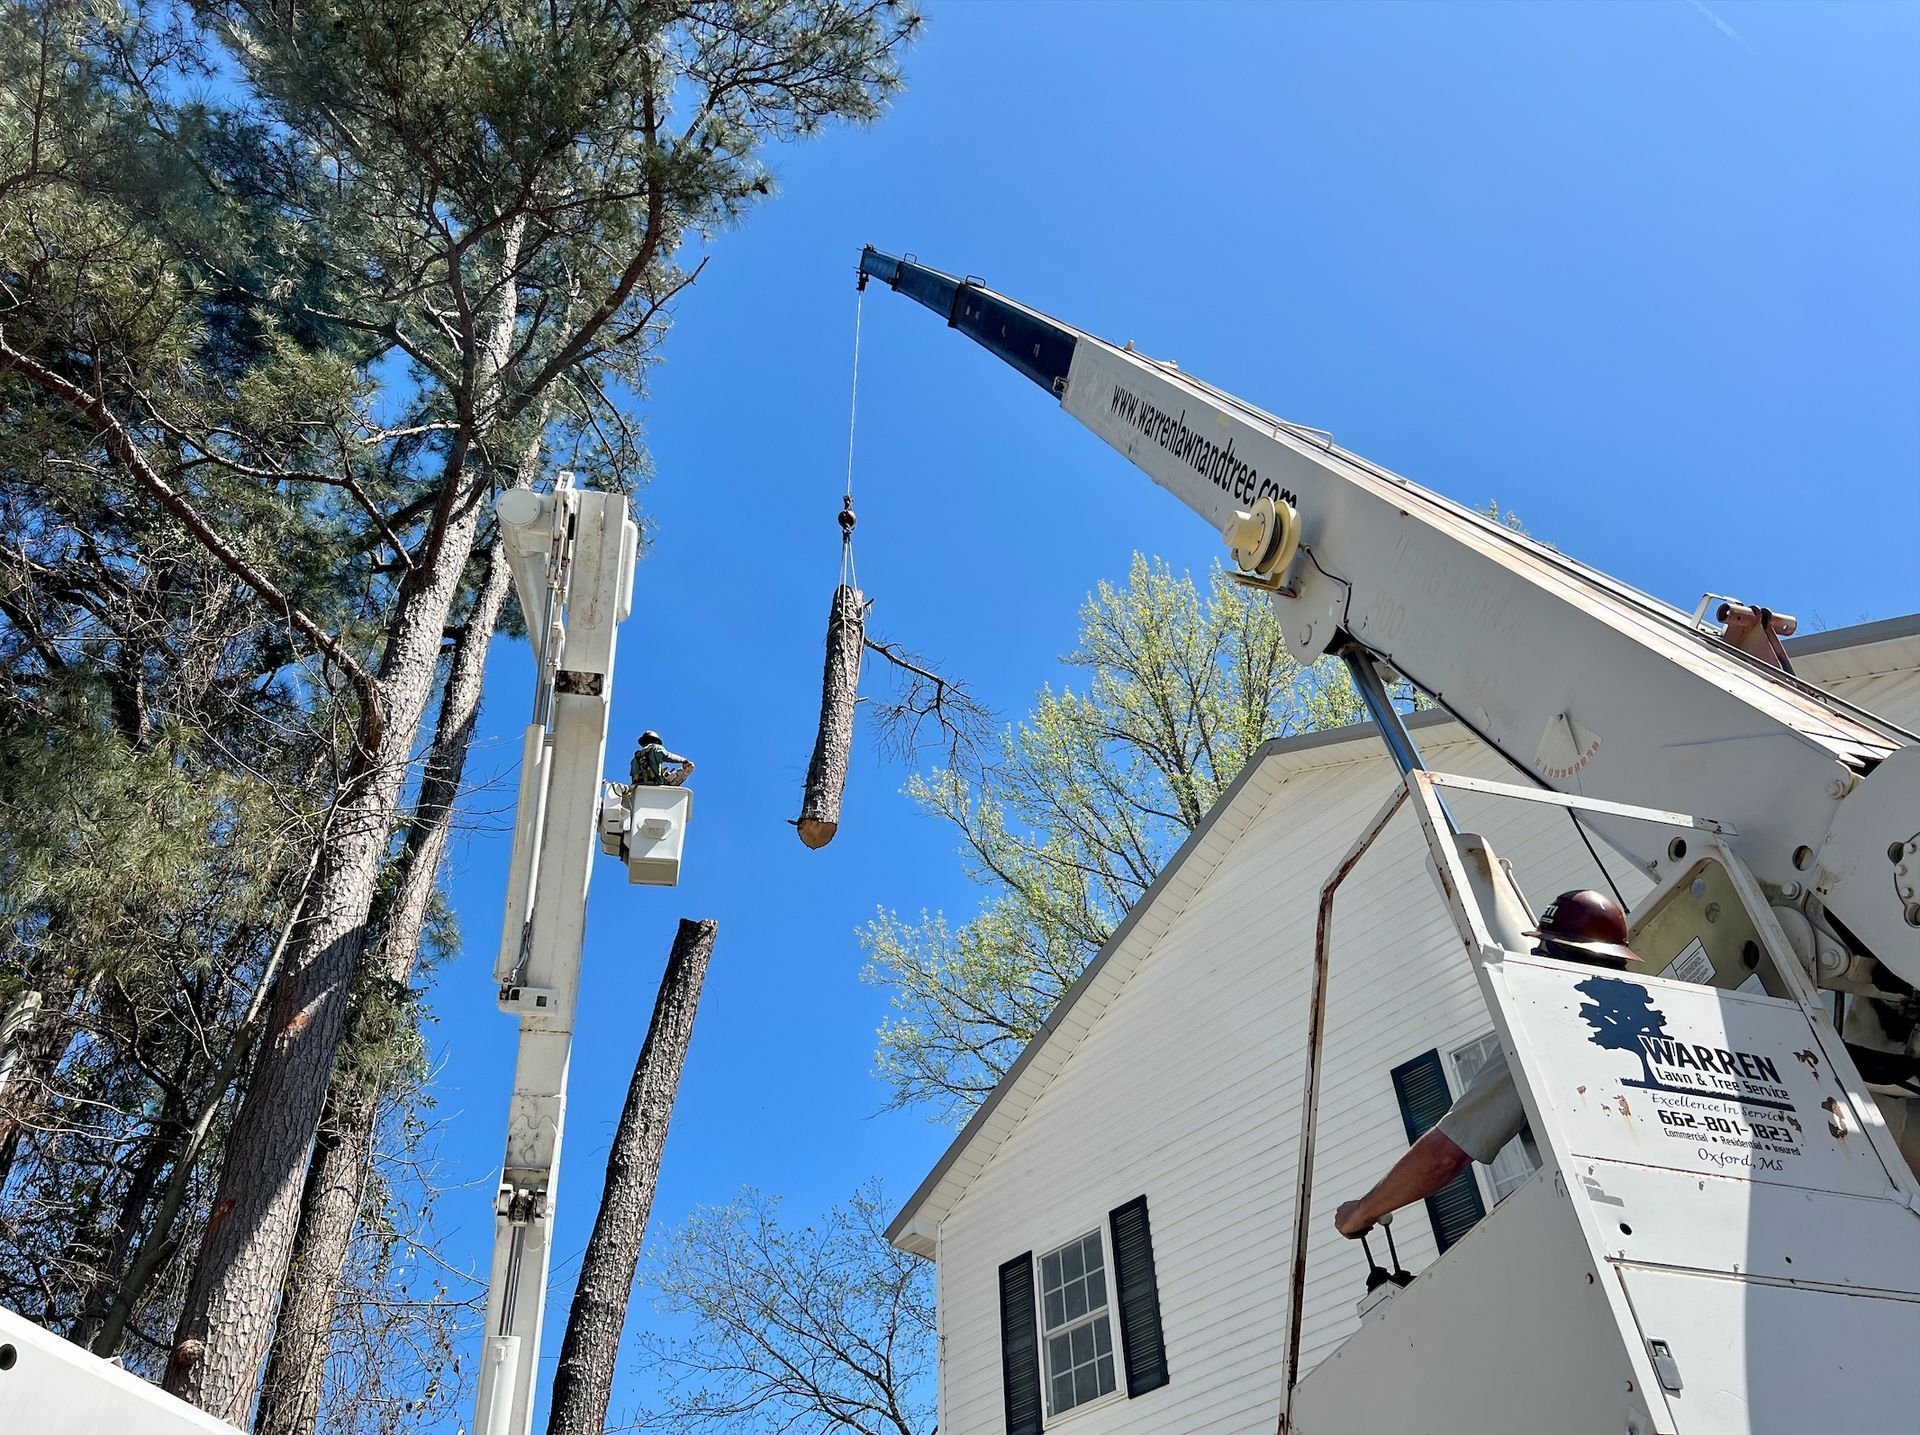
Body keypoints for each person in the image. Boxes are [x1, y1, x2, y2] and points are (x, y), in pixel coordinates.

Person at [1333, 890, 1644, 1240]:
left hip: (1616, 1226)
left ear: (1560, 960)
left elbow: (1447, 1156)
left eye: (1541, 952)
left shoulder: (1548, 1032)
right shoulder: (1660, 1027)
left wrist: (1362, 1210)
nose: (1533, 960)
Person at [630, 730, 694, 787]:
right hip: (654, 785)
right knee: (688, 768)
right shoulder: (656, 748)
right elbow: (668, 756)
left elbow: (633, 776)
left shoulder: (635, 758)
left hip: (638, 787)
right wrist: (684, 760)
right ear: (656, 741)